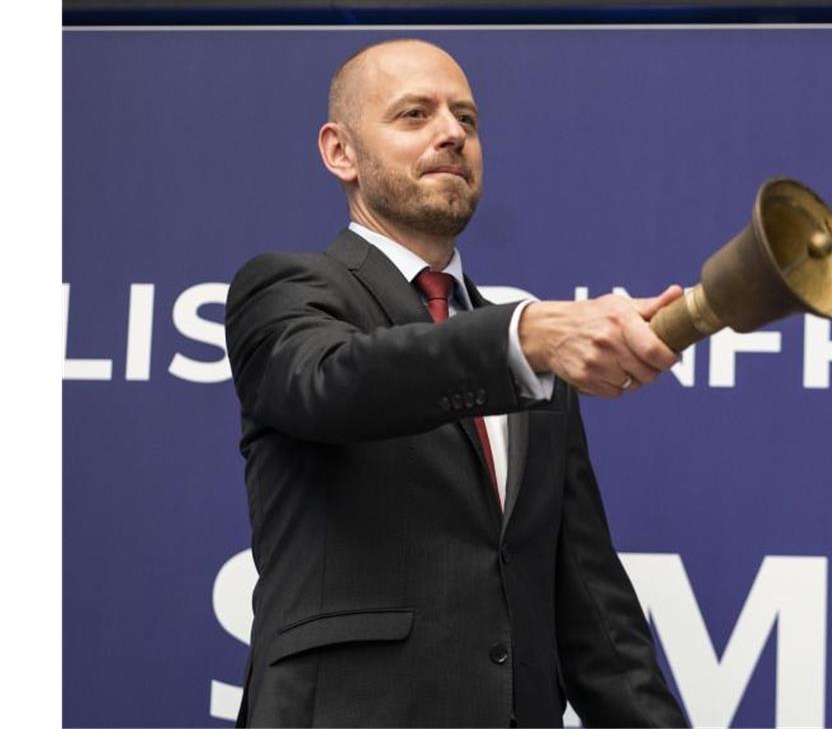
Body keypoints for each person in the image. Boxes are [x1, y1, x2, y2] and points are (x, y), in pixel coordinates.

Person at [224, 38, 688, 728]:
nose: (451, 134)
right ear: (339, 152)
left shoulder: (531, 356)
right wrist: (523, 336)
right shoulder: (287, 288)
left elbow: (593, 612)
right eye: (415, 115)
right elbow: (331, 383)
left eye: (465, 119)